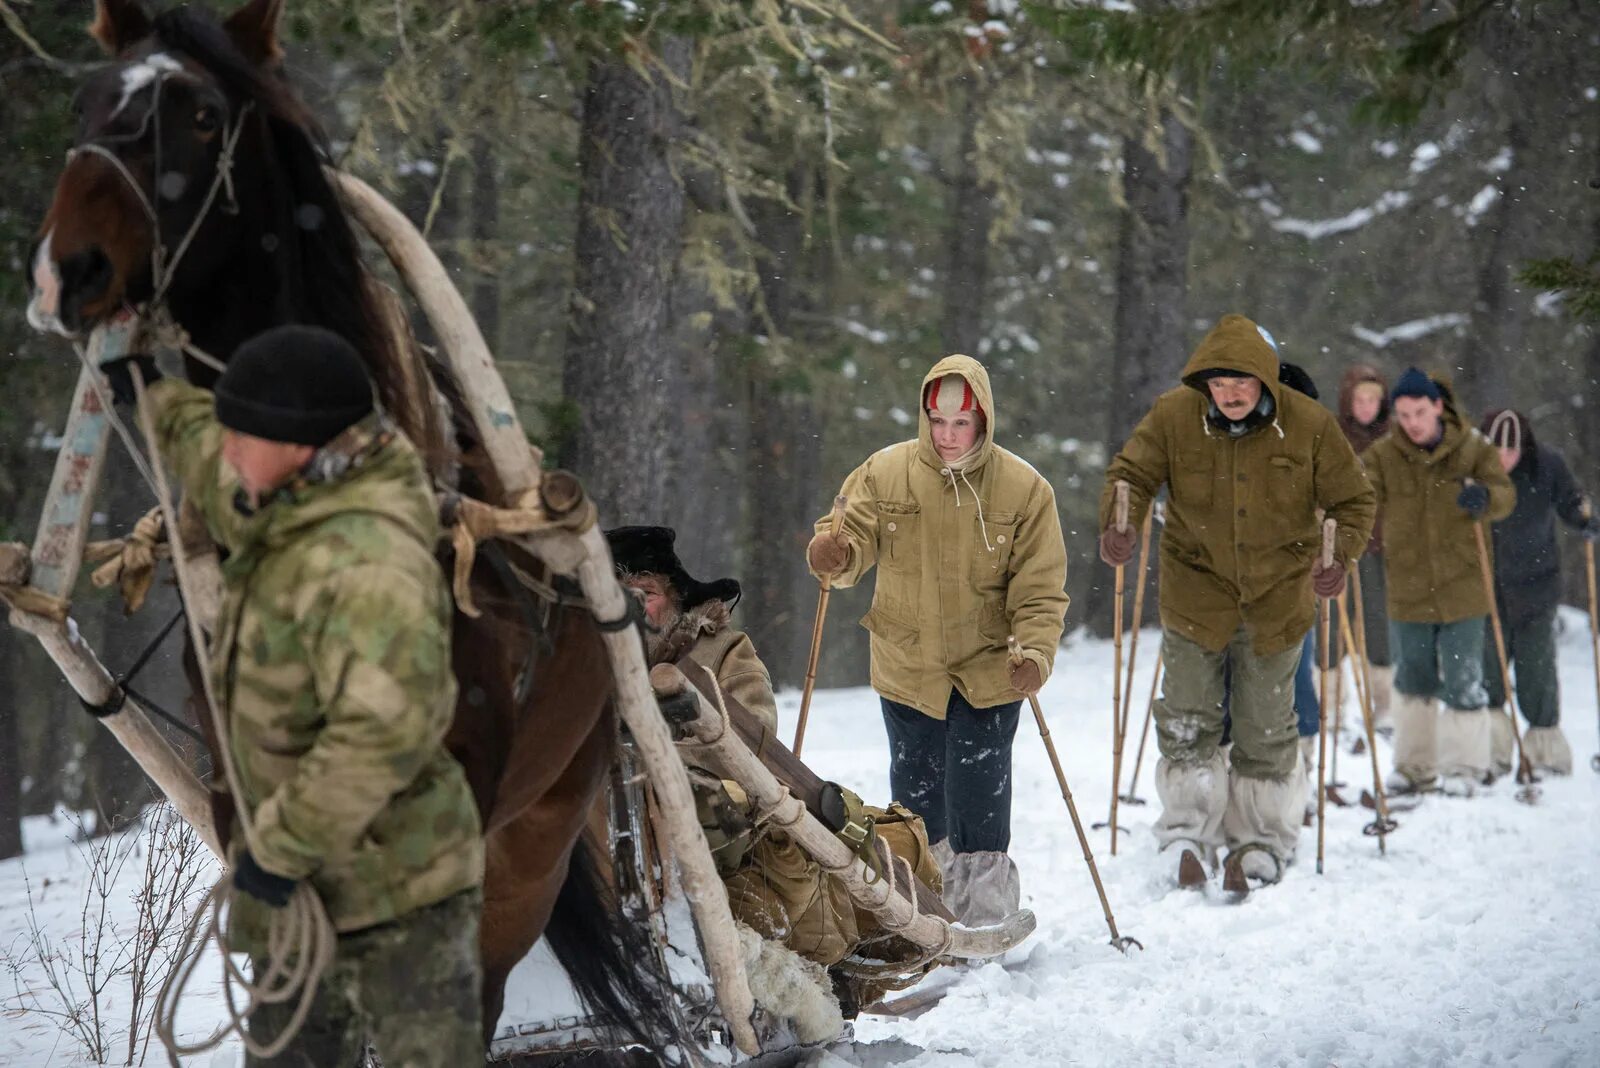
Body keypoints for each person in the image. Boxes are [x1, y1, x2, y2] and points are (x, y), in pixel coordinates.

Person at [100, 326, 485, 1066]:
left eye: (245, 435)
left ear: (304, 445)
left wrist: (276, 852)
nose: (230, 450)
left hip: (401, 895)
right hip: (302, 893)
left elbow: (382, 738)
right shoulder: (277, 487)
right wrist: (143, 387)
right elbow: (204, 446)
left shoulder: (370, 564)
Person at [1100, 315, 1375, 890]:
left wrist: (1337, 558)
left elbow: (1353, 501)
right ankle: (1186, 831)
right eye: (1219, 385)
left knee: (1267, 726)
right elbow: (1131, 473)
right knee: (1188, 717)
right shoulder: (1175, 415)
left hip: (1278, 598)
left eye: (1242, 384)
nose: (1229, 395)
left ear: (1267, 382)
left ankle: (1262, 839)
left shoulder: (1309, 426)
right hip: (1196, 593)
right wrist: (1118, 524)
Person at [806, 354, 1068, 926]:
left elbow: (1041, 589)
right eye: (938, 421)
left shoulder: (1025, 489)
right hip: (908, 663)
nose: (948, 436)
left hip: (991, 666)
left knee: (980, 793)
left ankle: (985, 918)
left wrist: (1036, 653)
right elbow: (850, 537)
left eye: (962, 423)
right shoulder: (884, 472)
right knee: (918, 798)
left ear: (983, 421)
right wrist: (837, 555)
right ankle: (926, 916)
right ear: (924, 415)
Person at [1362, 369, 1514, 796]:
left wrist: (1484, 497)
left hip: (1463, 586)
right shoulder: (1384, 454)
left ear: (1437, 408)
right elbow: (1358, 491)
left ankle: (1463, 767)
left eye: (1419, 412)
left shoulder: (1472, 448)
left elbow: (1504, 494)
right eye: (1404, 414)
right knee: (1412, 678)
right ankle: (1414, 767)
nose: (1412, 422)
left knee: (1464, 677)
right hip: (1408, 587)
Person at [1478, 409, 1597, 776]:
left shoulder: (1547, 465)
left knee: (1537, 671)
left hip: (1536, 584)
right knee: (1489, 674)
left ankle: (1544, 754)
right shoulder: (1472, 468)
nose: (1504, 458)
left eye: (1511, 451)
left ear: (1523, 447)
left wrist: (1581, 516)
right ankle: (1491, 753)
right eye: (1496, 449)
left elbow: (1570, 500)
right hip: (1488, 586)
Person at [607, 525, 779, 734]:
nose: (632, 606)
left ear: (675, 598)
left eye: (647, 592)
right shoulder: (585, 662)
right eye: (617, 594)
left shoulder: (725, 651)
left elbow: (757, 734)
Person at [1338, 365, 1395, 730]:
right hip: (1338, 546)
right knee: (1331, 628)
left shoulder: (1393, 440)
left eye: (1373, 399)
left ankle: (1385, 707)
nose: (1366, 406)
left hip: (1379, 546)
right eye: (1360, 398)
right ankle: (1331, 708)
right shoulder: (1332, 434)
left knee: (1379, 628)